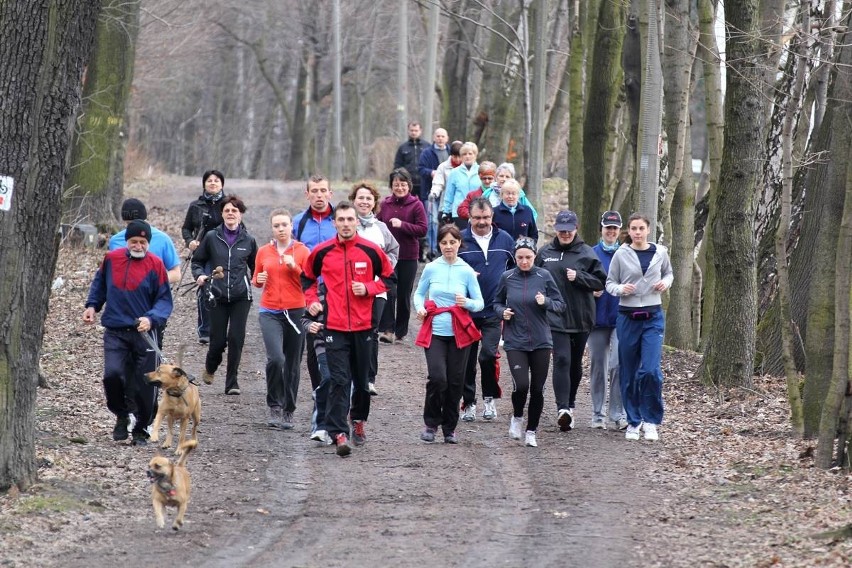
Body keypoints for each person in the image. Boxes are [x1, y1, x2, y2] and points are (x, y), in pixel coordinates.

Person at [301, 201, 395, 457]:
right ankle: (339, 432)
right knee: (339, 380)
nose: (345, 224)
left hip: (364, 326)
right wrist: (312, 301)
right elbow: (307, 278)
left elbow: (389, 278)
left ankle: (358, 420)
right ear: (334, 223)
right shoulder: (322, 252)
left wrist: (369, 289)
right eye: (340, 219)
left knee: (362, 383)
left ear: (356, 221)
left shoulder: (371, 250)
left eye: (349, 219)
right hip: (335, 325)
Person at [83, 220, 173, 446]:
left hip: (143, 333)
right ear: (127, 242)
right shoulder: (111, 260)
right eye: (134, 241)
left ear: (148, 243)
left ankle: (141, 427)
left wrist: (151, 318)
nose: (139, 246)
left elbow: (164, 300)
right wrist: (92, 306)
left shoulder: (156, 265)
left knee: (145, 383)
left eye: (143, 242)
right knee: (112, 375)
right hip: (115, 330)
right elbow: (99, 285)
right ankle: (122, 415)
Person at [535, 210, 607, 431]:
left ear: (576, 229)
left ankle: (571, 405)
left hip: (581, 316)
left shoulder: (587, 253)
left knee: (575, 363)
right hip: (555, 316)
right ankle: (562, 409)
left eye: (569, 230)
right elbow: (534, 277)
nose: (565, 234)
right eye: (561, 230)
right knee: (562, 360)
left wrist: (580, 277)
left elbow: (600, 283)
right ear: (556, 229)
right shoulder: (545, 252)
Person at [605, 213, 673, 442]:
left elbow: (669, 273)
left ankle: (651, 420)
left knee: (651, 371)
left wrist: (666, 283)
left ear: (648, 229)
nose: (637, 232)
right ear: (629, 231)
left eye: (641, 228)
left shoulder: (660, 252)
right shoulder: (621, 254)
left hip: (653, 316)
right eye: (633, 228)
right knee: (629, 371)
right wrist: (621, 289)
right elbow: (609, 283)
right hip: (627, 316)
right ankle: (634, 421)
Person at [414, 224, 484, 444]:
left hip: (459, 332)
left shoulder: (466, 270)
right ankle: (431, 423)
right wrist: (420, 307)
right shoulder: (432, 268)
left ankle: (449, 428)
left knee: (455, 380)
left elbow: (480, 303)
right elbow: (418, 293)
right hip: (435, 330)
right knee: (437, 377)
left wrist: (468, 303)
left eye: (452, 242)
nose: (448, 247)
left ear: (459, 243)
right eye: (444, 242)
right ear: (439, 245)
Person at [494, 237, 565, 447]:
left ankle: (532, 430)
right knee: (522, 385)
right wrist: (502, 312)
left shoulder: (544, 276)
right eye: (520, 258)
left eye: (528, 257)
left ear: (535, 256)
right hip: (515, 340)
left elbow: (560, 305)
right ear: (514, 258)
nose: (524, 261)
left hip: (541, 340)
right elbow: (496, 302)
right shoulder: (507, 277)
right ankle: (517, 417)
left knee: (537, 388)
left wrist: (546, 302)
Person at [192, 195, 258, 396]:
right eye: (227, 210)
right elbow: (197, 261)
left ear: (241, 215)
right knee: (217, 341)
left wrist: (260, 279)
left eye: (235, 211)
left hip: (241, 296)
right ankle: (211, 367)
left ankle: (232, 383)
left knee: (236, 338)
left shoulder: (249, 240)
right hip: (217, 295)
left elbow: (256, 269)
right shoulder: (212, 237)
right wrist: (201, 275)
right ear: (222, 214)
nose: (231, 213)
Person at [458, 198, 515, 422]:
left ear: (492, 217)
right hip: (467, 312)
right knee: (467, 361)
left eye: (486, 218)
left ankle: (489, 398)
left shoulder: (505, 240)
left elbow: (514, 270)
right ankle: (469, 403)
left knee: (488, 356)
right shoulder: (460, 240)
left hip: (494, 310)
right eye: (477, 218)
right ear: (469, 218)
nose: (482, 222)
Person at [252, 209, 310, 429]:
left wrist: (293, 266)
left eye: (284, 225)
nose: (281, 229)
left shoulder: (302, 251)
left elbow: (309, 279)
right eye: (276, 226)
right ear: (272, 229)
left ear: (291, 227)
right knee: (276, 359)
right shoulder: (264, 251)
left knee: (293, 363)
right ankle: (275, 406)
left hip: (296, 311)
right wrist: (259, 278)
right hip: (270, 312)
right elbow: (256, 279)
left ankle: (288, 410)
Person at [292, 175, 337, 438]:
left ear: (330, 193)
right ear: (307, 194)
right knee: (312, 343)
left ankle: (336, 395)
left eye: (323, 191)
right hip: (308, 291)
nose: (319, 195)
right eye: (314, 191)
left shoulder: (340, 220)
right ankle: (318, 388)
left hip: (336, 292)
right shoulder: (300, 221)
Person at [349, 181, 400, 395]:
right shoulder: (347, 225)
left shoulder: (381, 229)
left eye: (369, 198)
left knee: (371, 331)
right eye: (360, 197)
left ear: (374, 203)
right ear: (353, 201)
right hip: (349, 289)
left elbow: (394, 251)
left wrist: (380, 268)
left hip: (377, 289)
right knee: (351, 332)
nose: (364, 201)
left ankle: (369, 378)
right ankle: (351, 375)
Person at [376, 168, 427, 344]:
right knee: (389, 291)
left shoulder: (416, 205)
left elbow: (422, 230)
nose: (400, 187)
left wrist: (403, 225)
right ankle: (388, 330)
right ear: (391, 186)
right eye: (396, 184)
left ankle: (401, 330)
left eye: (403, 184)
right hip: (388, 256)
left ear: (409, 185)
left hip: (408, 255)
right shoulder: (385, 204)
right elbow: (377, 225)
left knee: (404, 294)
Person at [589, 210, 628, 430]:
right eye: (607, 227)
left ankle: (616, 413)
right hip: (596, 320)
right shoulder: (591, 254)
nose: (611, 231)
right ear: (601, 229)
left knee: (618, 364)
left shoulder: (627, 253)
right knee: (598, 366)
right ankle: (597, 413)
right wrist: (590, 292)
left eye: (614, 228)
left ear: (619, 230)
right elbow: (581, 282)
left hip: (621, 318)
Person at [182, 169, 226, 344]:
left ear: (222, 184)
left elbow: (240, 228)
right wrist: (190, 241)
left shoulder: (229, 205)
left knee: (224, 290)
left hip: (224, 252)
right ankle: (205, 330)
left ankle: (223, 329)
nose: (213, 183)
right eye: (209, 180)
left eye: (216, 180)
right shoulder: (195, 206)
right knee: (205, 287)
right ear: (204, 184)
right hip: (203, 254)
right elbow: (186, 228)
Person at [110, 198, 181, 284]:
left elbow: (176, 273)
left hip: (154, 295)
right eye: (129, 224)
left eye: (137, 223)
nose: (134, 228)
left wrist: (153, 281)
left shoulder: (162, 239)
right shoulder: (115, 241)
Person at [418, 127, 450, 260]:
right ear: (434, 137)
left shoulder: (451, 152)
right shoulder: (427, 152)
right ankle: (432, 249)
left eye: (443, 136)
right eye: (438, 136)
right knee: (432, 222)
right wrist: (431, 173)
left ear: (447, 138)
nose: (440, 138)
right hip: (429, 194)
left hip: (447, 194)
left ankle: (445, 247)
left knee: (445, 222)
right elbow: (420, 169)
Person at [441, 142, 481, 229]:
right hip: (459, 213)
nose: (467, 156)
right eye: (464, 154)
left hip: (478, 211)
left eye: (470, 153)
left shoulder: (480, 170)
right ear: (461, 156)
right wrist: (446, 212)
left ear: (475, 155)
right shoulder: (454, 172)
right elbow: (449, 194)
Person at [392, 121, 427, 199]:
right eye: (412, 130)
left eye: (416, 130)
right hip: (407, 183)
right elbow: (397, 166)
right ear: (408, 131)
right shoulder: (403, 147)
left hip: (424, 183)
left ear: (420, 131)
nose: (414, 133)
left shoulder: (427, 146)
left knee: (424, 208)